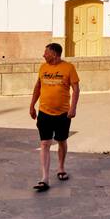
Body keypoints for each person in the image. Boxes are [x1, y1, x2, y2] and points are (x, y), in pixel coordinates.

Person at [28, 42, 79, 192]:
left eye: (47, 53)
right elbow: (38, 87)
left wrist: (73, 107)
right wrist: (32, 106)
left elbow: (76, 89)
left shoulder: (69, 68)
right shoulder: (43, 68)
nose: (44, 55)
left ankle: (61, 168)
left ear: (55, 54)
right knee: (45, 143)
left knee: (61, 140)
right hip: (44, 112)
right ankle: (44, 178)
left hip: (63, 113)